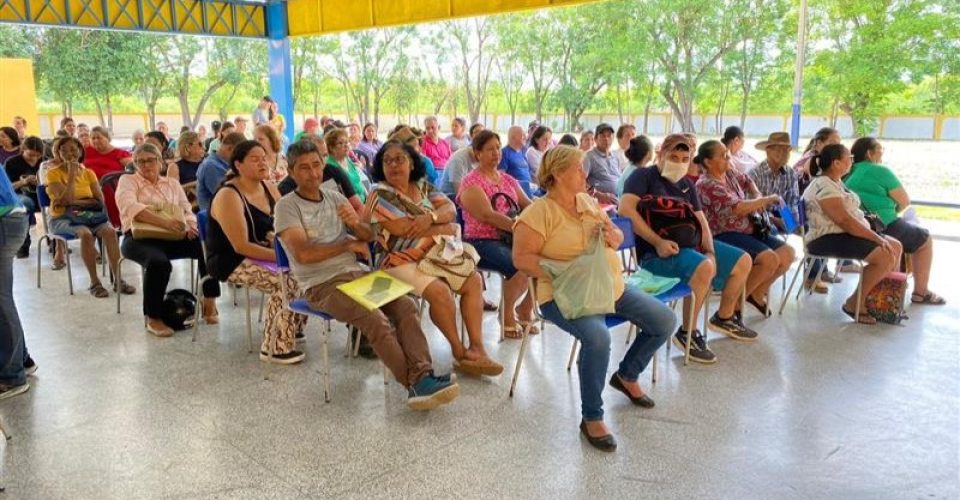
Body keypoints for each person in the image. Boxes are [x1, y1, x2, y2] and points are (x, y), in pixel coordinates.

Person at [513, 145, 675, 452]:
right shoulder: (537, 213)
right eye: (577, 168)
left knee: (665, 320)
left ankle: (627, 375)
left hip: (608, 285)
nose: (583, 173)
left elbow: (613, 234)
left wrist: (612, 236)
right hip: (566, 293)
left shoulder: (586, 201)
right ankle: (592, 417)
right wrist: (564, 270)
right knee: (598, 339)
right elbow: (521, 259)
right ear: (558, 174)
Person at [274, 140, 459, 409]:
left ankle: (422, 375)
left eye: (316, 165)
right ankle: (415, 384)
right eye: (304, 168)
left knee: (405, 306)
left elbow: (369, 235)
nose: (313, 173)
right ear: (291, 172)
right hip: (321, 285)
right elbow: (303, 254)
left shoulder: (335, 197)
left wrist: (355, 225)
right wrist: (348, 244)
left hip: (356, 274)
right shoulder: (287, 207)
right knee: (376, 321)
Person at [365, 140, 503, 377]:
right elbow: (401, 229)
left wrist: (429, 218)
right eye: (387, 161)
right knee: (439, 291)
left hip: (435, 256)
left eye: (399, 159)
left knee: (474, 282)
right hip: (398, 260)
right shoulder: (379, 194)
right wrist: (443, 227)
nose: (393, 165)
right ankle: (459, 353)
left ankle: (477, 348)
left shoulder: (423, 186)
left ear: (411, 163)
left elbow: (449, 208)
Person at [620, 134, 754, 364]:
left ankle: (724, 317)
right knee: (703, 267)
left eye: (685, 158)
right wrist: (657, 242)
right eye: (673, 156)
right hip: (657, 253)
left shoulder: (687, 185)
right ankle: (688, 332)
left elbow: (702, 222)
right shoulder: (643, 177)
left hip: (689, 245)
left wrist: (710, 250)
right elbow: (625, 210)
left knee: (743, 261)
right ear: (660, 154)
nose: (679, 162)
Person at [206, 140, 306, 364]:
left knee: (307, 270)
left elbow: (286, 222)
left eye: (264, 157)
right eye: (254, 159)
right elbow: (240, 246)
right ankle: (275, 347)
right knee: (285, 280)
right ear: (238, 165)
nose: (262, 163)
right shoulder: (229, 195)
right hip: (231, 260)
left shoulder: (269, 187)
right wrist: (285, 257)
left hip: (265, 251)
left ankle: (291, 324)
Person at [116, 144, 220, 336]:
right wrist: (165, 222)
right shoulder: (128, 181)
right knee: (158, 263)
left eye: (151, 160)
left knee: (208, 247)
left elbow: (186, 209)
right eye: (140, 161)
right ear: (135, 164)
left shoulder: (171, 183)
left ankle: (209, 301)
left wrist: (189, 227)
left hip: (173, 236)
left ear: (160, 161)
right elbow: (129, 207)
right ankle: (153, 318)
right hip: (139, 238)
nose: (146, 165)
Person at [802, 144, 903, 323]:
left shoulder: (835, 182)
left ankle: (880, 302)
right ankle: (854, 303)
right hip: (825, 238)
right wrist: (876, 238)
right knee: (885, 256)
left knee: (895, 245)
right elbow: (845, 222)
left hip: (841, 234)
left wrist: (874, 235)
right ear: (836, 163)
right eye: (849, 158)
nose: (852, 161)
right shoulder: (823, 185)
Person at [696, 140, 795, 318]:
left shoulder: (729, 173)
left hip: (750, 228)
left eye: (728, 154)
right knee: (769, 259)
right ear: (707, 162)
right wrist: (765, 200)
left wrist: (757, 194)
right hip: (724, 234)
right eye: (723, 156)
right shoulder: (706, 184)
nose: (728, 158)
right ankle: (730, 309)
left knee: (788, 253)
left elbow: (747, 181)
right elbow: (738, 208)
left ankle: (754, 294)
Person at [846, 137, 945, 305]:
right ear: (869, 154)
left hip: (856, 225)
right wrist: (892, 211)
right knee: (924, 240)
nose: (881, 153)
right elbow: (905, 201)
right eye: (879, 149)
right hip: (882, 223)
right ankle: (921, 292)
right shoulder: (881, 171)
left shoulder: (847, 172)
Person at [458, 130, 535, 337]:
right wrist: (521, 228)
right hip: (481, 241)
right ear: (477, 153)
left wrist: (543, 215)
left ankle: (525, 308)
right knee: (519, 264)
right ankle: (506, 315)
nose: (496, 153)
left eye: (498, 148)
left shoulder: (508, 180)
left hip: (511, 236)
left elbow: (528, 205)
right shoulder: (470, 182)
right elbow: (487, 215)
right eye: (489, 149)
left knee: (547, 259)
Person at [45, 136, 134, 298]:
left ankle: (118, 280)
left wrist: (75, 203)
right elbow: (65, 202)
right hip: (62, 218)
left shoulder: (88, 173)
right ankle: (94, 282)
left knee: (109, 232)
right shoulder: (53, 174)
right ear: (57, 153)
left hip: (90, 216)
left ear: (80, 151)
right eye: (63, 150)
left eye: (73, 149)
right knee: (85, 234)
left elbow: (99, 200)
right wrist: (71, 177)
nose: (69, 154)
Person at [0, 167, 35, 400]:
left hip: (4, 221)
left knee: (0, 301)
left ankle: (12, 376)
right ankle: (22, 360)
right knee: (4, 298)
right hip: (12, 218)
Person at [749, 132, 800, 226]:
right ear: (767, 151)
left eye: (787, 150)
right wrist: (774, 220)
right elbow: (751, 207)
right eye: (778, 149)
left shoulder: (791, 174)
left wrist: (790, 223)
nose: (784, 153)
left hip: (783, 217)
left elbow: (793, 203)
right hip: (761, 221)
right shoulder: (755, 174)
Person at [4, 136, 43, 258]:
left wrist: (40, 181)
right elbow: (7, 188)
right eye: (30, 155)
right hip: (19, 195)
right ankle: (23, 244)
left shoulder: (44, 162)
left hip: (41, 194)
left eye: (37, 155)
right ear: (23, 149)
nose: (34, 158)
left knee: (56, 202)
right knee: (25, 204)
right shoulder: (12, 163)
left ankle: (56, 243)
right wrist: (24, 182)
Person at [196, 132, 245, 212]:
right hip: (216, 216)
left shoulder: (224, 163)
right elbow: (228, 196)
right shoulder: (211, 166)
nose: (241, 157)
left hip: (229, 210)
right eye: (240, 154)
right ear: (230, 149)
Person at [326, 128, 370, 203]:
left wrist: (368, 197)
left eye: (347, 142)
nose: (346, 145)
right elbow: (338, 199)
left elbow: (359, 182)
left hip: (364, 201)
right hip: (353, 208)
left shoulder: (346, 159)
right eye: (340, 143)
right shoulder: (329, 167)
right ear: (331, 148)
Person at [583, 123, 622, 204]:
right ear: (596, 139)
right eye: (603, 136)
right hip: (601, 202)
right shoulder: (589, 157)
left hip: (619, 199)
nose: (606, 139)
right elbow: (580, 181)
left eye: (609, 136)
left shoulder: (615, 156)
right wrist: (598, 195)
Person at [499, 126, 533, 193]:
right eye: (522, 135)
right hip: (518, 190)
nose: (525, 137)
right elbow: (501, 176)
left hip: (531, 188)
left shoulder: (523, 151)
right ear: (513, 137)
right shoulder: (504, 153)